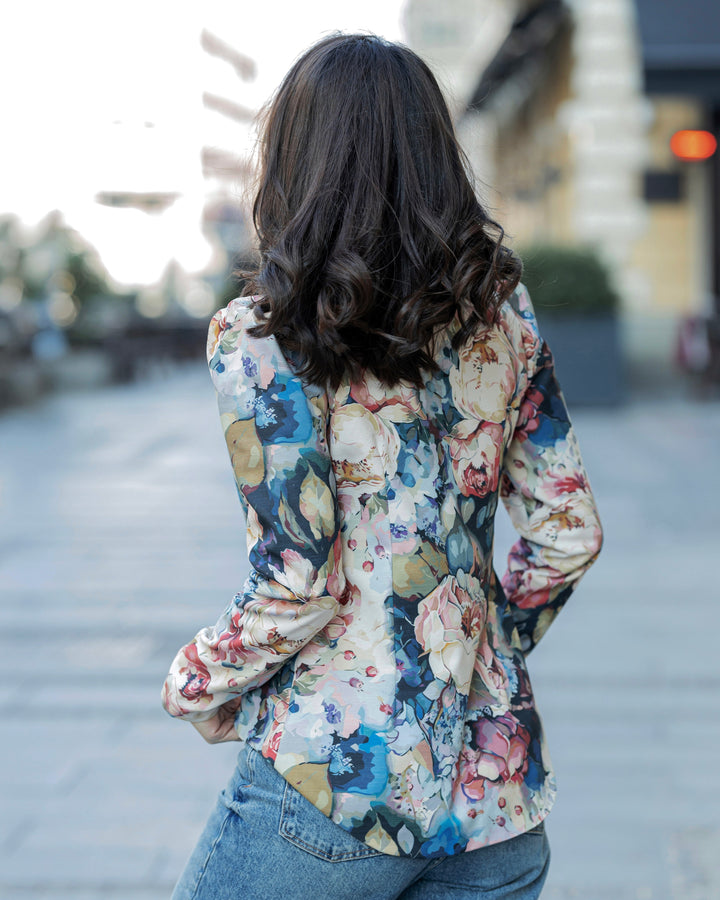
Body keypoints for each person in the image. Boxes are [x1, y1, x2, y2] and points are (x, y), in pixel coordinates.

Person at [161, 33, 603, 900]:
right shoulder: (506, 316)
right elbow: (568, 533)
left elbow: (300, 578)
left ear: (295, 161)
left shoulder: (261, 337)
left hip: (335, 789)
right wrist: (475, 655)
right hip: (495, 803)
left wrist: (196, 678)